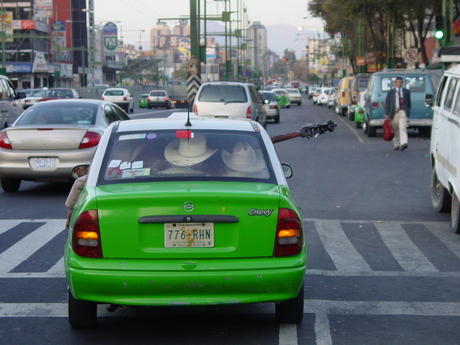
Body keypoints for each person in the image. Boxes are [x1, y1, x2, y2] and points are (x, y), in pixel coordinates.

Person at [384, 77, 411, 151]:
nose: (399, 84)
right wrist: (386, 113)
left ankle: (404, 143)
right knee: (395, 129)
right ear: (395, 83)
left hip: (402, 111)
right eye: (398, 82)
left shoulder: (406, 92)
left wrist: (407, 110)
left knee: (403, 127)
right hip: (394, 112)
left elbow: (408, 102)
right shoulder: (391, 92)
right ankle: (396, 144)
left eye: (401, 82)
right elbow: (388, 103)